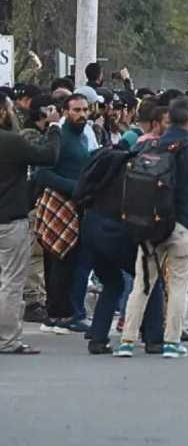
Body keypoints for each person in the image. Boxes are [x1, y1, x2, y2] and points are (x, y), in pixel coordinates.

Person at [113, 96, 188, 359]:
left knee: (142, 285)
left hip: (151, 226)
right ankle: (171, 342)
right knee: (178, 287)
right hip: (184, 227)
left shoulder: (151, 147)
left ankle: (127, 341)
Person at [0, 93, 60, 355]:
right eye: (11, 108)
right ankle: (7, 338)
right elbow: (47, 155)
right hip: (10, 219)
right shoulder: (10, 142)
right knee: (11, 282)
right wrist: (55, 127)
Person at [33, 92, 94, 334]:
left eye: (85, 110)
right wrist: (73, 187)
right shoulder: (58, 136)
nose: (82, 115)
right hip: (59, 205)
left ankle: (64, 312)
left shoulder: (83, 137)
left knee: (70, 261)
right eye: (77, 110)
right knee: (59, 260)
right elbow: (42, 173)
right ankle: (57, 316)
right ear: (66, 112)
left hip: (77, 205)